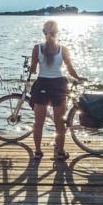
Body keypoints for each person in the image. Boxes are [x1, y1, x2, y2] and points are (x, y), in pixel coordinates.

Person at [30, 19, 84, 160]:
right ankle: (60, 152)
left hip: (42, 85)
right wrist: (78, 78)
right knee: (59, 122)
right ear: (57, 33)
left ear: (43, 32)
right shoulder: (63, 49)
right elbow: (70, 70)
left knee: (38, 123)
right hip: (59, 86)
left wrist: (32, 66)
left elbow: (33, 69)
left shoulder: (37, 48)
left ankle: (37, 152)